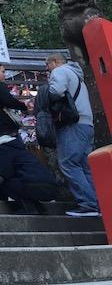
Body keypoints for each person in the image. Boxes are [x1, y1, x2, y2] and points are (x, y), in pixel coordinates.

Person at [46, 53, 100, 217]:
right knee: (85, 166)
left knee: (68, 163)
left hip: (72, 125)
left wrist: (47, 89)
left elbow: (56, 91)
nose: (47, 69)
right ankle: (98, 203)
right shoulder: (77, 75)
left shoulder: (60, 71)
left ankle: (88, 204)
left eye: (47, 65)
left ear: (55, 62)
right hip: (86, 123)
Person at [0, 133, 58, 214]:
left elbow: (6, 173)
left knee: (4, 184)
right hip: (50, 187)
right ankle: (39, 208)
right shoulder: (17, 147)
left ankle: (28, 208)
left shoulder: (2, 148)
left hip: (36, 185)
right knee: (19, 182)